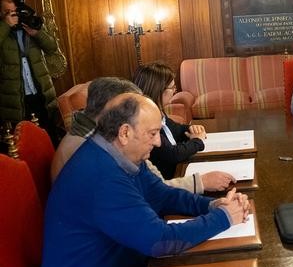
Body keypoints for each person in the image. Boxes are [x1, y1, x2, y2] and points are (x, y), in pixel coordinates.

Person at [39, 93, 250, 267]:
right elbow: (160, 241)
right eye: (152, 134)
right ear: (125, 133)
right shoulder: (101, 177)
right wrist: (223, 218)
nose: (159, 143)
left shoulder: (118, 154)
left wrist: (213, 205)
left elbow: (163, 195)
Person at [50, 76, 234, 192]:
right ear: (112, 109)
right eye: (131, 108)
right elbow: (147, 195)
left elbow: (151, 184)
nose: (156, 141)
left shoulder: (99, 134)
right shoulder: (88, 149)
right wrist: (200, 183)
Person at [0, 0, 62, 141]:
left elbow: (52, 47)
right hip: (15, 101)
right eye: (9, 12)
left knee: (50, 137)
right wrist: (5, 26)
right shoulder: (2, 30)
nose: (14, 15)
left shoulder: (30, 23)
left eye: (16, 11)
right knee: (25, 143)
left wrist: (37, 33)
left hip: (41, 94)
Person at [133, 62, 207, 179]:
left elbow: (175, 129)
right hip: (168, 179)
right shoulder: (145, 119)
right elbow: (173, 154)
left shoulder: (158, 111)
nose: (175, 91)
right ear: (158, 89)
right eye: (172, 87)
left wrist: (191, 128)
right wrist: (197, 141)